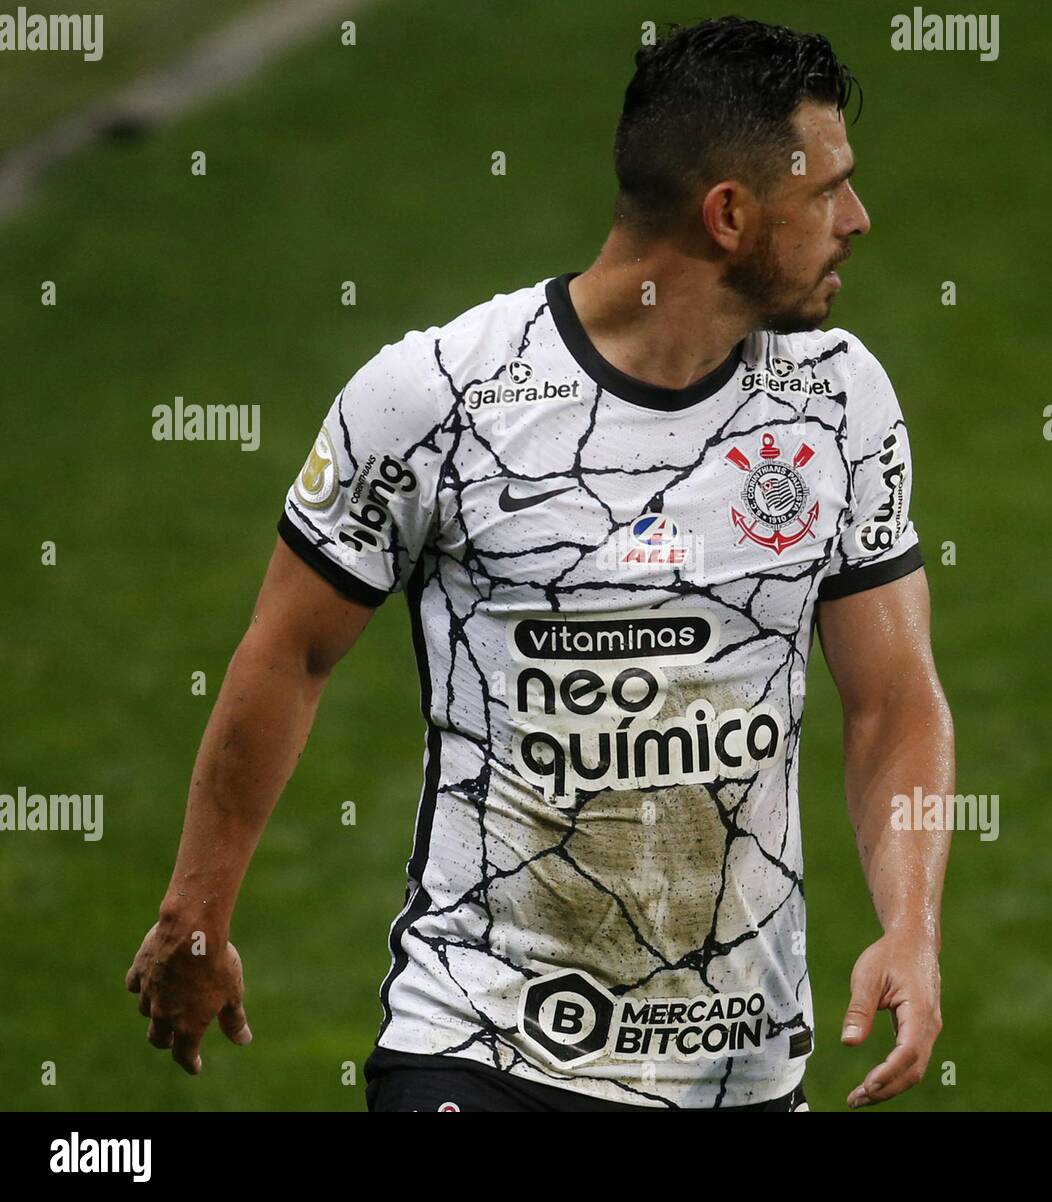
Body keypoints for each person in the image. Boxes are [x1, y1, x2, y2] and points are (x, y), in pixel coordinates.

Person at [126, 14, 954, 1112]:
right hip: (479, 1045)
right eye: (827, 192)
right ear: (726, 215)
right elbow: (290, 653)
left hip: (738, 1066)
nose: (858, 219)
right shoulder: (437, 397)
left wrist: (911, 927)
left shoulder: (840, 400)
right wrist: (196, 913)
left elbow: (894, 701)